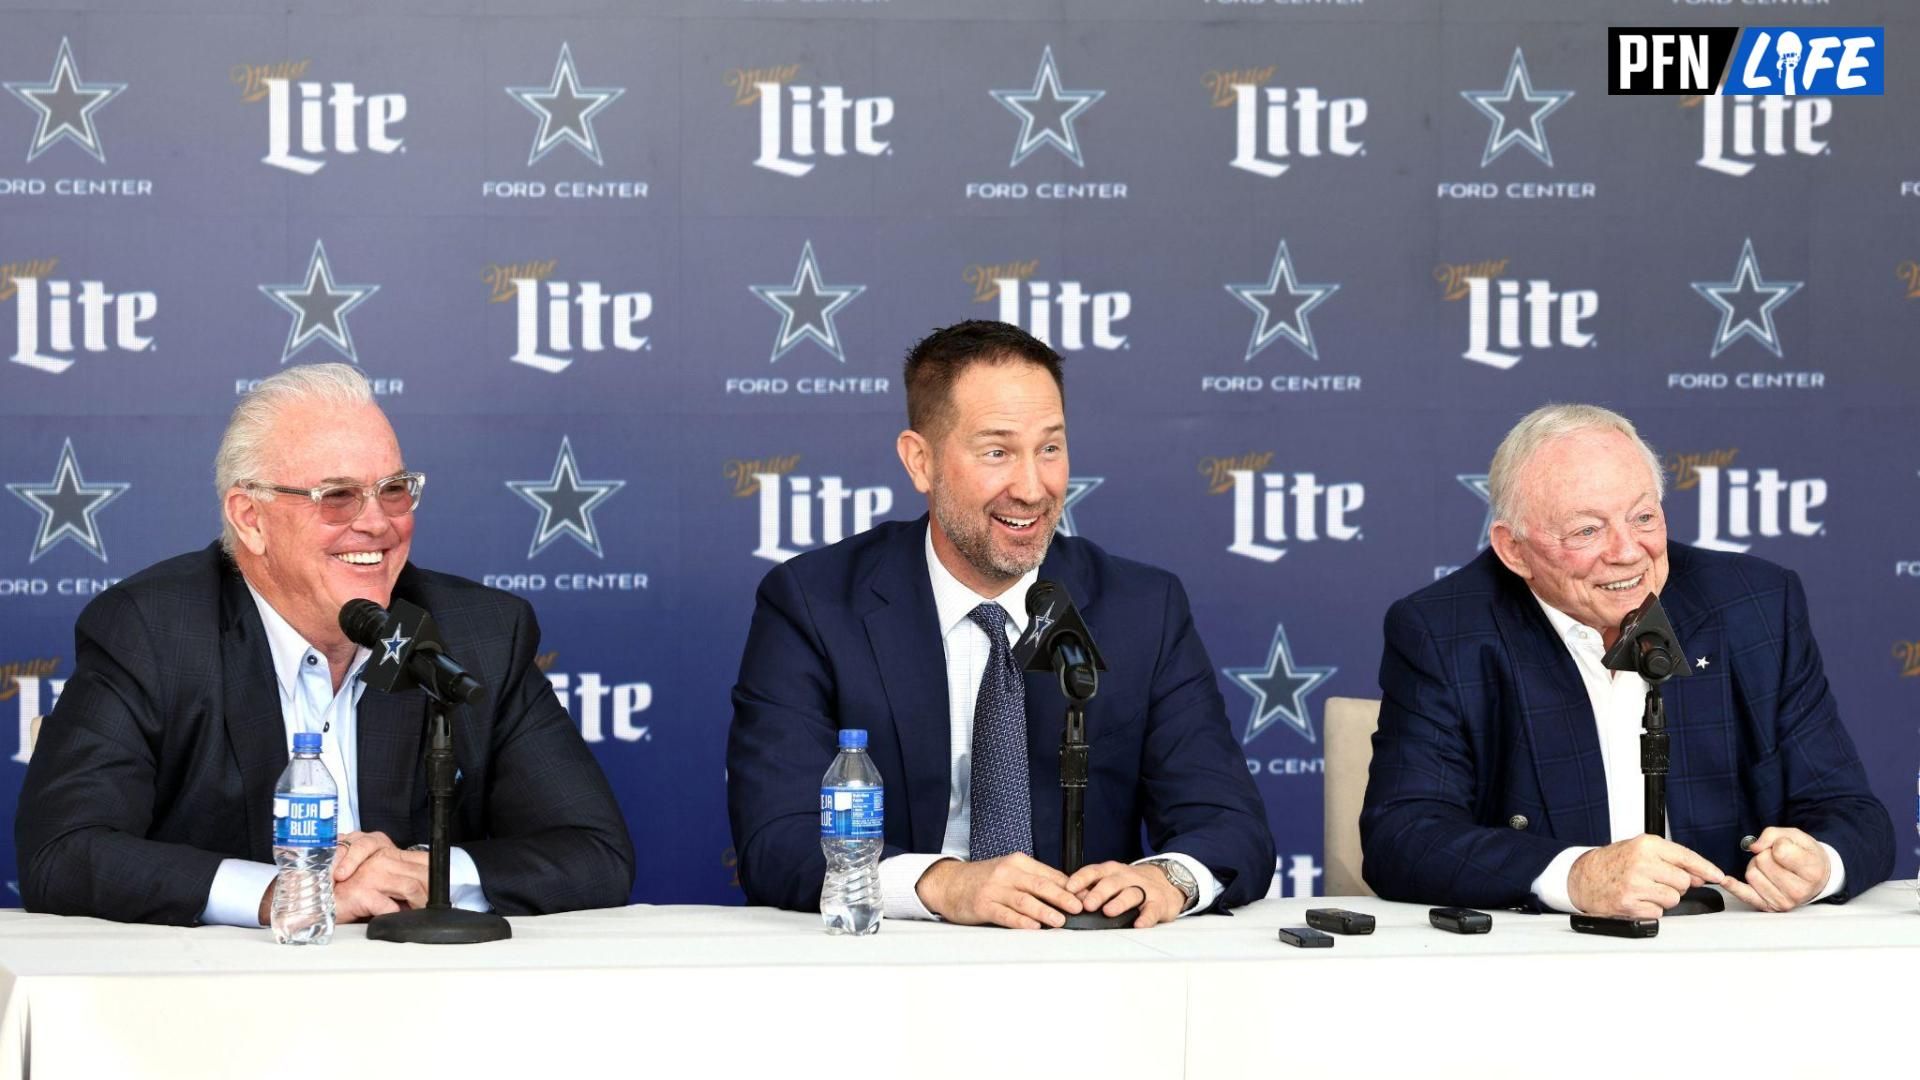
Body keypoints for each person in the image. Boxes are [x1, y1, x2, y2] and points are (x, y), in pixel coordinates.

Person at [16, 364, 634, 926]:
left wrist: (428, 873)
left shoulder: (479, 632)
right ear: (250, 518)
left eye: (393, 489)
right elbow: (64, 851)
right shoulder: (152, 630)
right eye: (336, 496)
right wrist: (285, 894)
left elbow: (595, 850)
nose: (376, 522)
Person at [728, 320, 1272, 930]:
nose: (1033, 488)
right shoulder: (815, 604)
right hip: (891, 969)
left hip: (1085, 973)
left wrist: (1164, 879)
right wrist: (943, 884)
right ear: (920, 461)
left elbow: (1230, 825)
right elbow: (777, 839)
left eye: (1050, 448)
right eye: (997, 452)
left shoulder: (1142, 607)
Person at [1362, 403, 1892, 918]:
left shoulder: (1755, 606)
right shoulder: (1444, 630)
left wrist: (1822, 865)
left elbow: (1853, 814)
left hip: (1731, 955)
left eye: (1643, 517)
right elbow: (1403, 836)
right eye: (1587, 530)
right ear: (1513, 549)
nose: (1627, 551)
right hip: (1542, 961)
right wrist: (1576, 875)